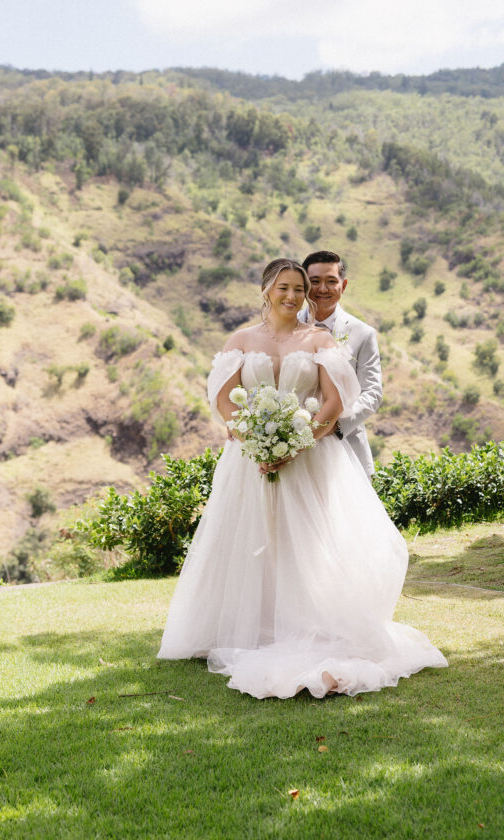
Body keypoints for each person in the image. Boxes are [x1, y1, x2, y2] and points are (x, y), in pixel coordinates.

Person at [157, 258, 447, 699]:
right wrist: (254, 442)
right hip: (248, 462)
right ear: (266, 290)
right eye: (284, 288)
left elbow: (332, 402)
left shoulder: (319, 339)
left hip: (311, 457)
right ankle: (249, 627)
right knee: (253, 539)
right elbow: (224, 403)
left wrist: (294, 444)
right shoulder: (240, 340)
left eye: (299, 289)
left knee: (307, 545)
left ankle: (308, 623)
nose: (293, 296)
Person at [300, 250, 381, 476]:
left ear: (343, 286)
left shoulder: (363, 333)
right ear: (304, 284)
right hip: (293, 445)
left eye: (331, 281)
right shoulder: (286, 325)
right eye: (314, 281)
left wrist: (334, 425)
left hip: (345, 446)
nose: (322, 289)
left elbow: (372, 392)